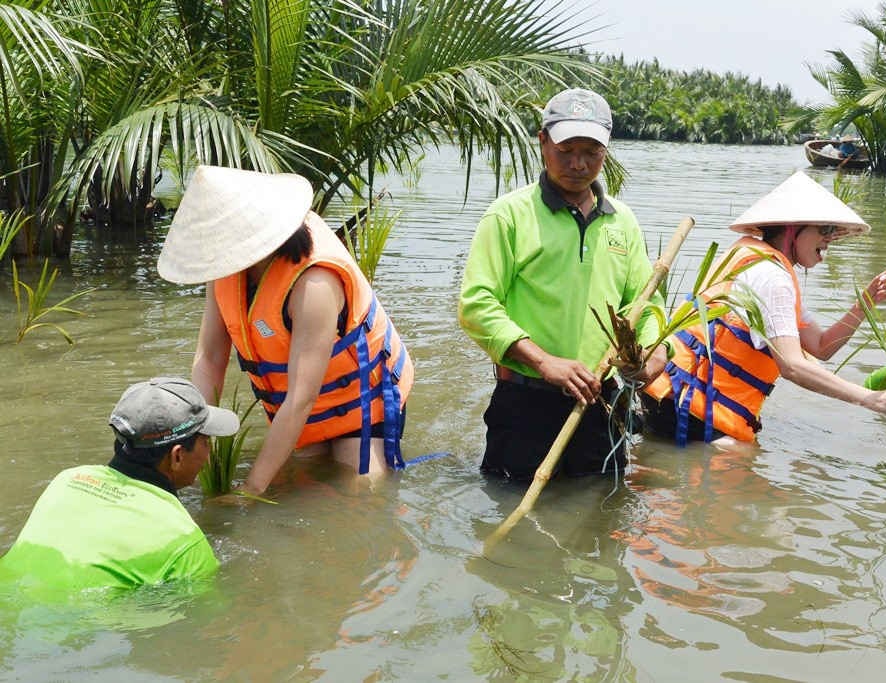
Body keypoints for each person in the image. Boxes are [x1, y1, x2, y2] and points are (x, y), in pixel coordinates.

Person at [157, 166, 414, 498]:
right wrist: (195, 440)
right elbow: (209, 359)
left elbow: (301, 397)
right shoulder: (225, 267)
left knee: (362, 493)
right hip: (304, 408)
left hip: (362, 403)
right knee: (298, 483)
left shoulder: (314, 283)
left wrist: (251, 489)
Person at [458, 87, 668, 481]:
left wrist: (655, 353)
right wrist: (544, 362)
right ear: (542, 143)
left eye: (591, 152)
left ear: (606, 152)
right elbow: (477, 305)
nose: (578, 163)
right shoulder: (509, 216)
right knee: (512, 513)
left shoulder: (622, 221)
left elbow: (647, 304)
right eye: (566, 149)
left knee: (598, 517)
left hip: (601, 405)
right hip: (525, 400)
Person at [642, 171, 886, 446]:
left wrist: (863, 305)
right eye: (824, 229)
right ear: (791, 228)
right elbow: (793, 366)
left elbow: (821, 346)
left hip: (668, 395)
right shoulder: (771, 277)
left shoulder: (752, 259)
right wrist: (871, 398)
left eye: (832, 231)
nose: (830, 238)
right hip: (695, 414)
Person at [0, 377, 239, 589]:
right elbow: (207, 623)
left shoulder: (67, 480)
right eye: (206, 442)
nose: (208, 454)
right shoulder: (184, 541)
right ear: (177, 456)